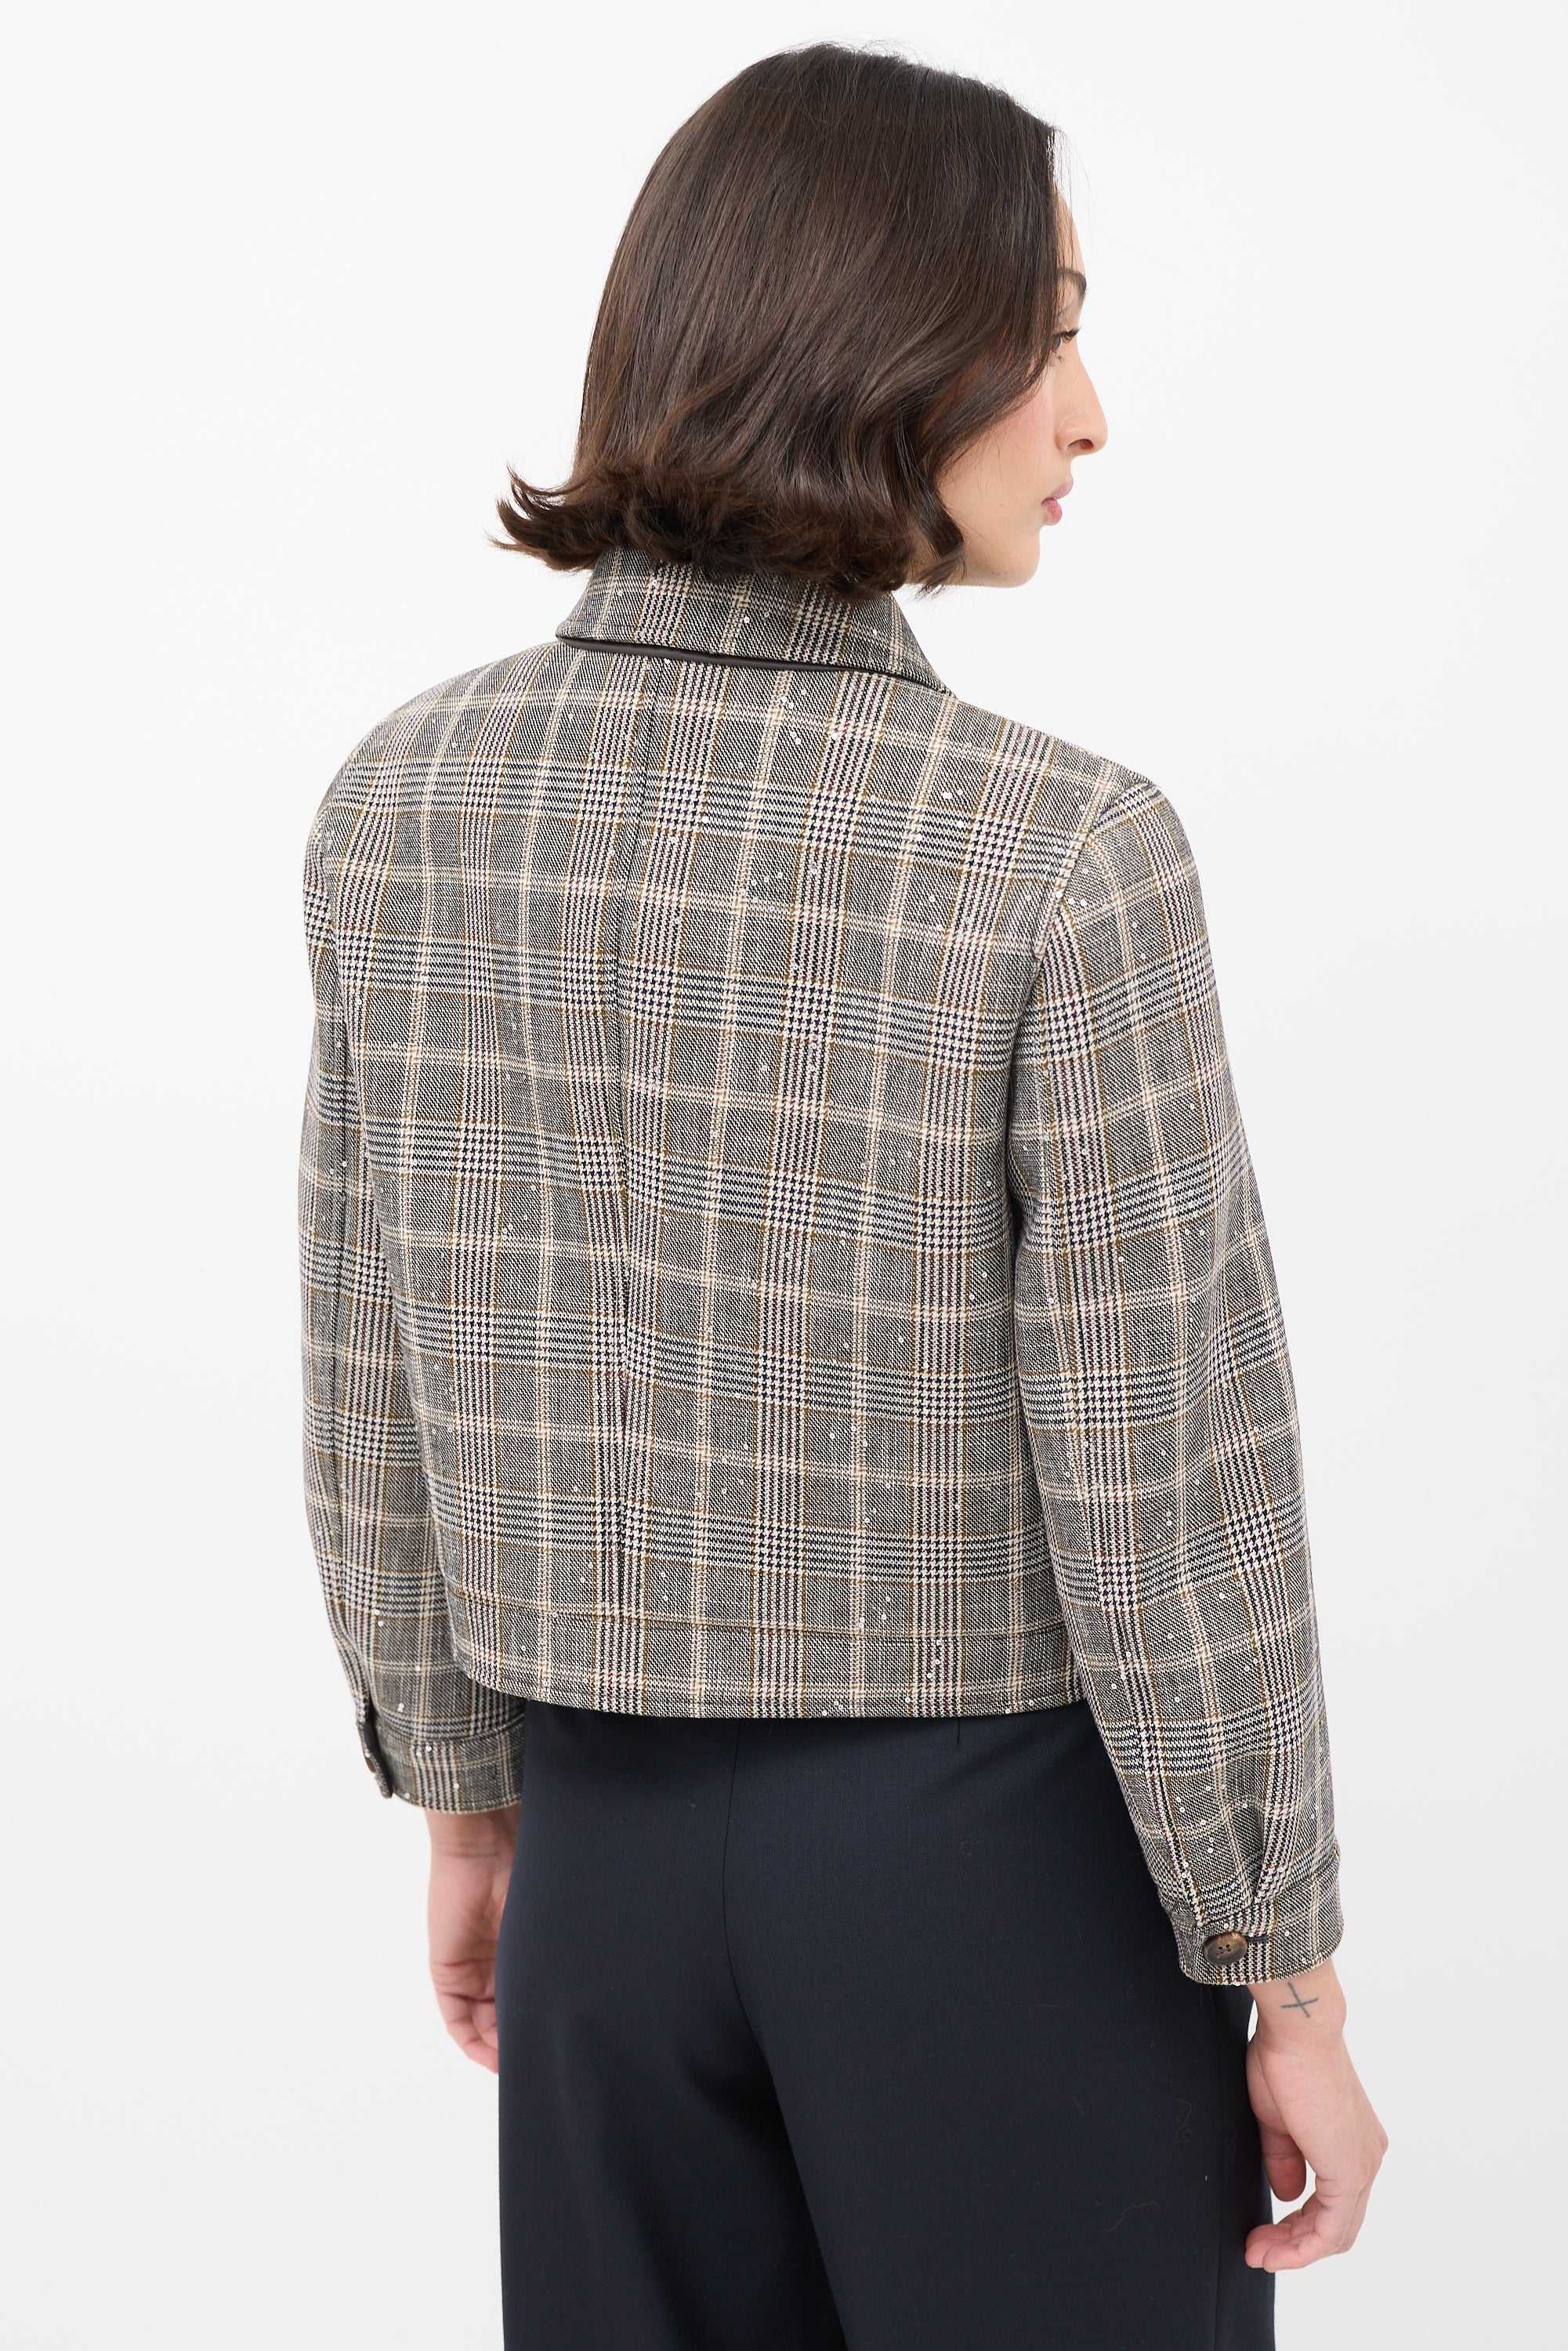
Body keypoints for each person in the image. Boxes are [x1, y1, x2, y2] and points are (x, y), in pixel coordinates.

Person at [298, 41, 1385, 2350]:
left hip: (595, 1859)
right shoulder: (1057, 848)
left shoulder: (407, 801)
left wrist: (466, 1803)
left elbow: (370, 1347)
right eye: (1049, 334)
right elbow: (1167, 1468)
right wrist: (1280, 1963)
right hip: (989, 1871)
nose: (1089, 415)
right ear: (883, 350)